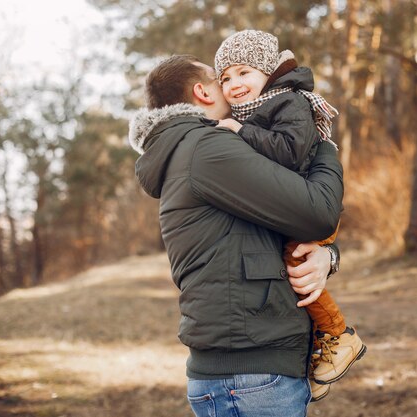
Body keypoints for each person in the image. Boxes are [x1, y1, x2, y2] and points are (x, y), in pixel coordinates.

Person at [128, 54, 344, 417]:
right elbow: (319, 212)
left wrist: (328, 257)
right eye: (220, 79)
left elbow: (279, 228)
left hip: (244, 373)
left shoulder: (192, 151)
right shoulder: (208, 148)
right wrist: (323, 147)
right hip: (250, 377)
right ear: (202, 91)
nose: (230, 87)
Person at [214, 29, 366, 401]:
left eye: (244, 72)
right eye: (226, 78)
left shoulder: (287, 103)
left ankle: (339, 336)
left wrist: (240, 131)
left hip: (306, 207)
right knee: (293, 279)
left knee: (298, 272)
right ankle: (320, 350)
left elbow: (291, 153)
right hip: (292, 206)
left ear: (269, 72)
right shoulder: (261, 109)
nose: (234, 84)